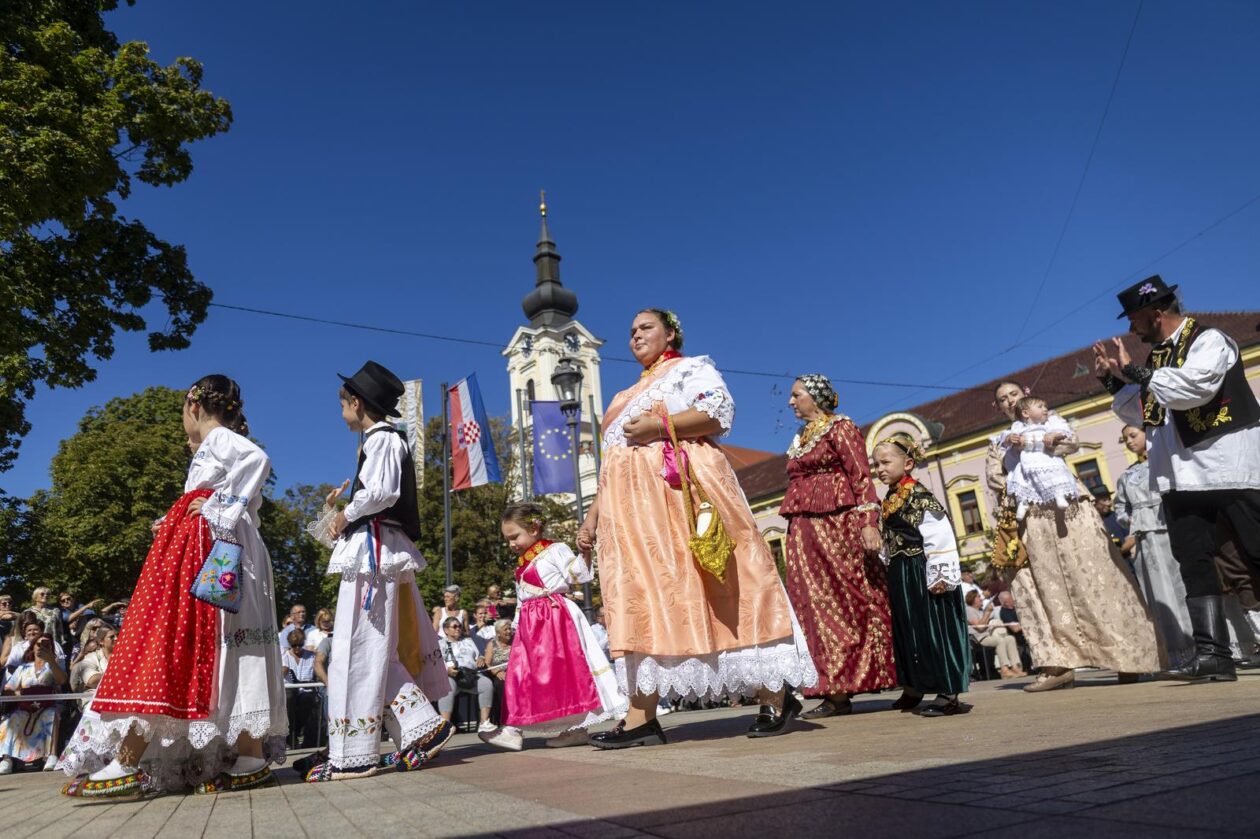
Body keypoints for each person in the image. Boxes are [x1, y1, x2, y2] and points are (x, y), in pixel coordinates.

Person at [577, 309, 816, 746]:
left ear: (671, 333)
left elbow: (718, 411)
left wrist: (658, 425)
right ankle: (640, 716)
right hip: (632, 519)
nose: (635, 336)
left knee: (725, 583)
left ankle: (775, 694)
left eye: (645, 327)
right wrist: (593, 518)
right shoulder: (623, 396)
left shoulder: (690, 369)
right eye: (630, 332)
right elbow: (611, 464)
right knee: (642, 597)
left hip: (685, 496)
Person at [60, 374, 288, 799]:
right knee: (232, 649)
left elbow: (256, 459)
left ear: (194, 407)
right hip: (229, 555)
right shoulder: (212, 448)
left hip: (222, 556)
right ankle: (248, 752)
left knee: (191, 641)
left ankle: (139, 758)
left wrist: (216, 507)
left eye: (182, 414)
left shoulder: (219, 439)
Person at [1095, 275, 1260, 681]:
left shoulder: (1209, 340)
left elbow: (1196, 388)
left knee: (1256, 551)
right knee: (1195, 563)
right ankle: (1214, 655)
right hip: (1181, 477)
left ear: (1155, 313)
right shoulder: (1155, 361)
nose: (1131, 329)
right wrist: (1114, 379)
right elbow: (1142, 409)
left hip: (1228, 467)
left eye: (1134, 319)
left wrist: (1136, 371)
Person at [305, 361, 452, 782]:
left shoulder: (384, 438)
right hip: (373, 549)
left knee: (362, 649)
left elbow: (383, 493)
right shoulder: (378, 441)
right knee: (364, 650)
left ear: (356, 402)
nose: (341, 414)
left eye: (343, 405)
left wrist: (345, 512)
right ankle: (421, 726)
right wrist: (342, 511)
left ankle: (358, 754)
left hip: (375, 551)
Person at [985, 380, 1160, 692]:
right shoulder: (998, 442)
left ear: (1025, 396)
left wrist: (1038, 442)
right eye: (1002, 399)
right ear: (998, 407)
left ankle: (1129, 657)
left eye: (1013, 394)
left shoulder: (1049, 420)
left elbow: (1071, 443)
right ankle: (1057, 666)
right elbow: (995, 480)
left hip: (1070, 508)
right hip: (1032, 518)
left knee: (1097, 576)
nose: (1009, 401)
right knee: (1045, 590)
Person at [779, 374, 895, 719]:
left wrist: (869, 523)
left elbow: (861, 476)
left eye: (796, 394)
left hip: (837, 524)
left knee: (849, 598)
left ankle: (866, 676)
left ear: (816, 397)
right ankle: (833, 690)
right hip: (803, 529)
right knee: (811, 605)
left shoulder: (840, 428)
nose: (790, 401)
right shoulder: (800, 437)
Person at [479, 504, 627, 752]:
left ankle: (573, 729)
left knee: (564, 675)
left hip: (554, 620)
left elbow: (576, 575)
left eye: (514, 537)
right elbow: (521, 598)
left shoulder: (555, 549)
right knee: (521, 675)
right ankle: (514, 729)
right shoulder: (523, 564)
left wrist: (584, 552)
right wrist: (517, 626)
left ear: (534, 528)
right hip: (531, 624)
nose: (511, 544)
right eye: (507, 539)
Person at [872, 434, 971, 716]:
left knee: (935, 629)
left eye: (886, 462)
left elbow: (938, 533)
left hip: (921, 568)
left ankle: (948, 692)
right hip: (901, 572)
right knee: (909, 630)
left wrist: (940, 575)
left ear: (908, 463)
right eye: (876, 464)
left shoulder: (919, 495)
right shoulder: (890, 498)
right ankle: (915, 684)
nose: (880, 469)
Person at [1114, 425, 1196, 673]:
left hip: (1172, 528)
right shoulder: (1127, 476)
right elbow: (1120, 507)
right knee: (1160, 593)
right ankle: (1177, 651)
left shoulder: (1168, 460)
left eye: (1133, 435)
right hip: (1146, 538)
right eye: (1125, 438)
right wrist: (1132, 520)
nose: (1129, 441)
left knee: (1184, 586)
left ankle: (1203, 645)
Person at [0, 625, 68, 775]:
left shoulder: (53, 666)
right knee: (11, 720)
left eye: (46, 645)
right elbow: (8, 689)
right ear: (32, 647)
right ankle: (7, 759)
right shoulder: (23, 668)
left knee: (51, 716)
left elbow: (62, 680)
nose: (41, 647)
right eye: (38, 644)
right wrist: (21, 694)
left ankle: (51, 756)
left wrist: (52, 661)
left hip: (48, 706)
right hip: (24, 707)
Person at [998, 397, 1077, 520]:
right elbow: (1005, 438)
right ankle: (1022, 503)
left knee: (1054, 474)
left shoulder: (1050, 422)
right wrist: (1010, 439)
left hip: (1046, 458)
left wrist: (1054, 435)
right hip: (1027, 461)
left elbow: (1065, 433)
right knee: (1022, 479)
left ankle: (1059, 495)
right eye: (1040, 407)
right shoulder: (1018, 426)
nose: (1045, 409)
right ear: (1025, 413)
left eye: (1045, 406)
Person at [437, 617, 493, 727]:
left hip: (470, 675)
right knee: (446, 686)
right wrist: (447, 670)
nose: (458, 629)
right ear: (446, 630)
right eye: (454, 626)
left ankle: (484, 722)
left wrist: (481, 659)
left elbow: (478, 656)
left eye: (459, 626)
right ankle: (445, 725)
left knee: (487, 684)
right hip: (451, 676)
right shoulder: (440, 644)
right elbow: (437, 663)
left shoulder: (468, 641)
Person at [964, 592, 1023, 679]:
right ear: (972, 599)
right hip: (978, 638)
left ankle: (1015, 667)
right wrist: (987, 613)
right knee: (999, 640)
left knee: (1010, 638)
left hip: (988, 635)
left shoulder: (980, 611)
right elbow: (980, 628)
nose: (981, 599)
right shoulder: (968, 610)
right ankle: (1004, 669)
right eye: (978, 597)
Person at [281, 629, 320, 749]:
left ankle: (302, 735)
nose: (297, 648)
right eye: (294, 645)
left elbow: (318, 673)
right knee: (289, 699)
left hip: (307, 691)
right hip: (290, 691)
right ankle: (290, 738)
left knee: (307, 700)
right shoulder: (285, 656)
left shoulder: (311, 656)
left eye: (300, 644)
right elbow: (282, 673)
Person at [72, 626, 117, 709]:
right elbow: (92, 680)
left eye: (117, 635)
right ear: (101, 642)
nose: (117, 638)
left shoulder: (124, 656)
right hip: (94, 697)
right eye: (112, 637)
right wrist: (120, 675)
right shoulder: (90, 658)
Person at [1093, 489, 1133, 560]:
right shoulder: (1092, 522)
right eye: (1104, 500)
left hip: (1127, 563)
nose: (1109, 504)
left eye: (1109, 499)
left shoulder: (1116, 517)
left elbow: (1132, 538)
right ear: (1094, 502)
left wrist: (1118, 553)